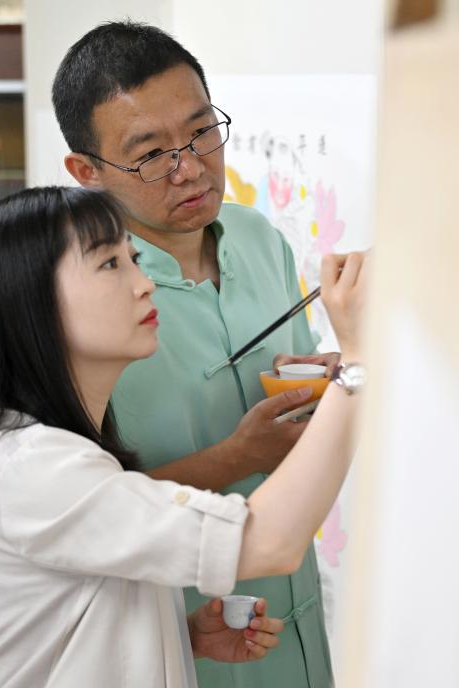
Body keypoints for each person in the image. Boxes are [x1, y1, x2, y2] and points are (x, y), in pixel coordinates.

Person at [0, 187, 367, 687]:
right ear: (30, 302)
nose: (144, 285)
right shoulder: (30, 469)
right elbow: (271, 542)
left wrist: (180, 638)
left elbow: (54, 632)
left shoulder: (53, 452)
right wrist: (357, 361)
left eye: (134, 260)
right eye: (109, 265)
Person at [52, 22, 349, 687]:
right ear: (86, 172)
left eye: (201, 132)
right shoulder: (77, 299)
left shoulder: (257, 236)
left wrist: (323, 387)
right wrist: (235, 457)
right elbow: (79, 514)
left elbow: (299, 400)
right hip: (185, 643)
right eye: (150, 154)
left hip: (299, 625)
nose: (189, 167)